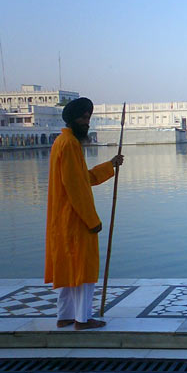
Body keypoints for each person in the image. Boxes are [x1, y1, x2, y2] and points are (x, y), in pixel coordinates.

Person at [45, 97, 124, 330]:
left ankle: (65, 315)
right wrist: (92, 220)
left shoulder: (64, 142)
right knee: (83, 269)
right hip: (75, 218)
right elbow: (75, 187)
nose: (87, 122)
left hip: (64, 218)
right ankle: (82, 318)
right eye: (83, 117)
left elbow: (83, 178)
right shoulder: (69, 145)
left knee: (69, 268)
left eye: (89, 117)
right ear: (73, 119)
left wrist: (110, 165)